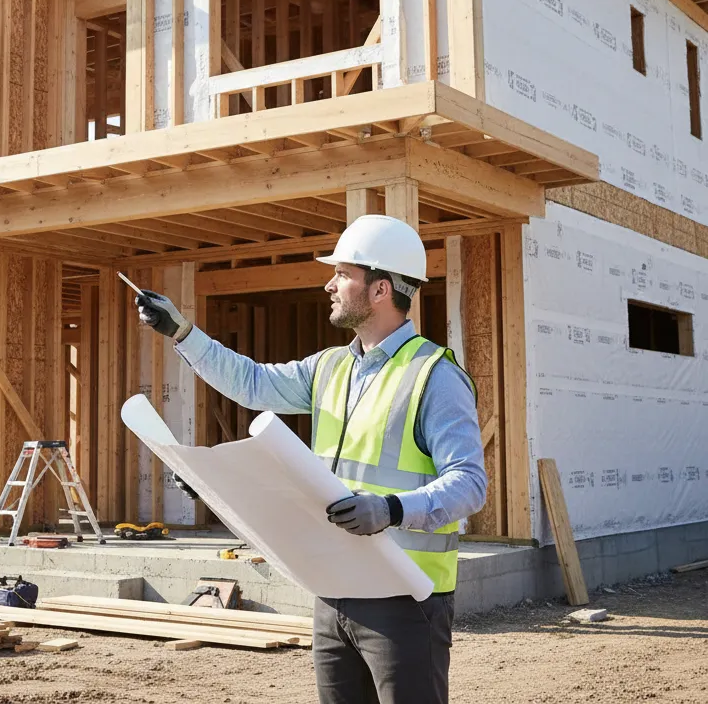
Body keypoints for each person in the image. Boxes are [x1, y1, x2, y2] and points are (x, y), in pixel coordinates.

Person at [133, 214, 486, 704]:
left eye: (342, 274)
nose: (329, 284)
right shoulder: (329, 367)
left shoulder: (434, 376)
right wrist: (182, 332)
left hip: (404, 601)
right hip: (333, 590)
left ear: (381, 289)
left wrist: (390, 509)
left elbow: (469, 483)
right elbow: (252, 383)